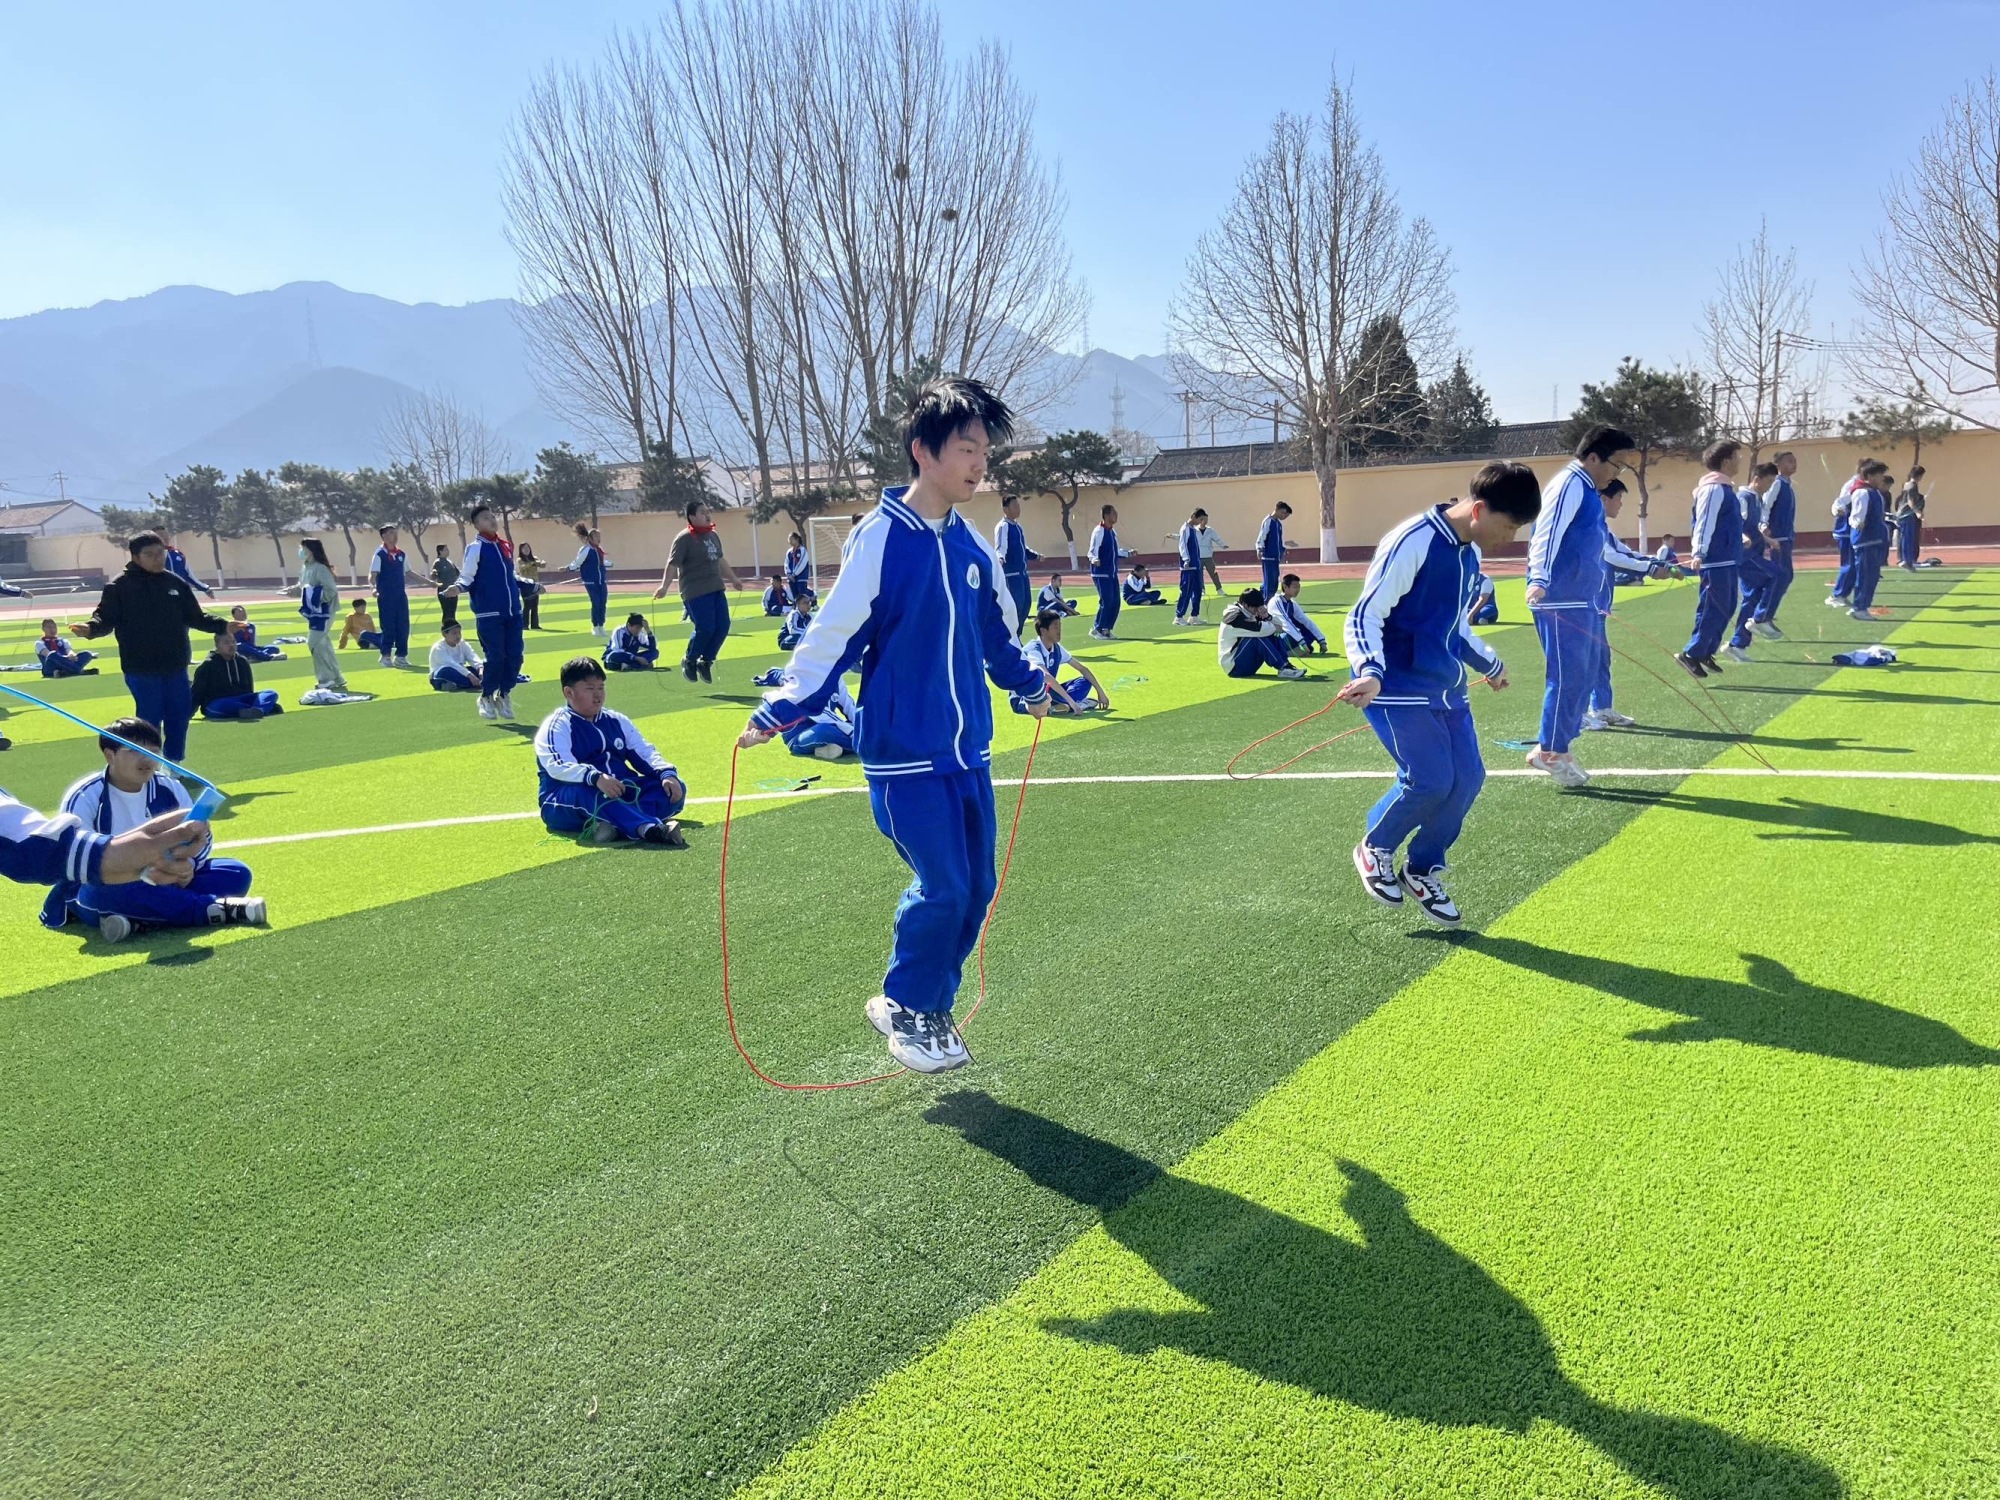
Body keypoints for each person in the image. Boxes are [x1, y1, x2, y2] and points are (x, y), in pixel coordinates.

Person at [737, 375, 1049, 1075]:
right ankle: (909, 1004)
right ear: (923, 451)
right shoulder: (880, 539)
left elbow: (999, 635)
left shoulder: (972, 548)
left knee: (976, 889)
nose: (979, 464)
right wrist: (781, 708)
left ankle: (926, 1006)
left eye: (984, 452)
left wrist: (1029, 684)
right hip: (904, 754)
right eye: (967, 449)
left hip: (968, 752)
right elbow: (835, 636)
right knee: (942, 885)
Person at [1341, 463, 1542, 924]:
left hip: (1447, 689)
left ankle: (1423, 868)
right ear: (1478, 509)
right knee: (1430, 780)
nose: (1510, 537)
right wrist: (1370, 672)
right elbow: (1363, 614)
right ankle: (1376, 846)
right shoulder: (1414, 540)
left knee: (1468, 778)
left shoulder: (1469, 556)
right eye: (1509, 526)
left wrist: (1489, 664)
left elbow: (1456, 628)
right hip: (1396, 686)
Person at [43, 717, 264, 941]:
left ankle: (138, 921)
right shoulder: (86, 794)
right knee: (101, 893)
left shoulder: (169, 787)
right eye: (135, 751)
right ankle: (210, 909)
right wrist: (133, 872)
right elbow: (72, 856)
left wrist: (188, 865)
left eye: (154, 751)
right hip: (106, 885)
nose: (147, 759)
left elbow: (200, 835)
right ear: (110, 755)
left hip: (168, 878)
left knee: (236, 872)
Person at [1523, 426, 1658, 785]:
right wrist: (1538, 578)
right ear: (1593, 457)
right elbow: (1547, 532)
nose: (1618, 474)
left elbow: (1600, 547)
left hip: (1582, 599)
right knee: (1566, 676)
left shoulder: (1586, 489)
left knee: (1582, 676)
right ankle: (1550, 750)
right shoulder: (1569, 484)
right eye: (1617, 464)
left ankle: (1557, 747)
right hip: (1558, 598)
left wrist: (1651, 566)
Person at [71, 531, 230, 766]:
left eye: (161, 553)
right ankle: (149, 765)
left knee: (178, 717)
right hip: (141, 667)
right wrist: (90, 629)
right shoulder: (119, 586)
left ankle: (175, 764)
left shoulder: (175, 582)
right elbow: (105, 618)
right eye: (150, 555)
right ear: (135, 557)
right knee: (149, 721)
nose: (158, 559)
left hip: (175, 664)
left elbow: (195, 617)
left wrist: (224, 625)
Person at [535, 656, 687, 846]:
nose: (598, 695)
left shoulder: (616, 720)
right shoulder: (557, 725)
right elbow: (558, 766)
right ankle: (649, 829)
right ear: (569, 692)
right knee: (590, 794)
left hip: (620, 789)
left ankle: (612, 825)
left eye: (601, 688)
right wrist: (596, 777)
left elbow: (643, 751)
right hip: (566, 798)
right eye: (590, 689)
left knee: (672, 788)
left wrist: (665, 773)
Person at [443, 504, 525, 722]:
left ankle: (504, 694)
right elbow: (467, 577)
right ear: (477, 525)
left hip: (513, 613)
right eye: (486, 518)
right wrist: (457, 588)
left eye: (493, 517)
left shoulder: (505, 547)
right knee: (496, 657)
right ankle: (487, 696)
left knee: (516, 656)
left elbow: (512, 578)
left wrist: (532, 585)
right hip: (489, 614)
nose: (492, 520)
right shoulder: (476, 548)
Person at [1675, 441, 1746, 679]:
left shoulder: (1726, 489)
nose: (1740, 461)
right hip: (1714, 559)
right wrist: (1699, 552)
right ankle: (1690, 653)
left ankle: (1706, 650)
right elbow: (1704, 523)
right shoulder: (1713, 489)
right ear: (1726, 461)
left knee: (1727, 606)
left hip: (1727, 558)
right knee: (1712, 607)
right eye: (1737, 456)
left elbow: (1729, 522)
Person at [655, 499, 743, 683]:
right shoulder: (684, 538)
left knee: (723, 626)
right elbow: (673, 564)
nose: (707, 515)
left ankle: (707, 661)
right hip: (695, 592)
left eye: (707, 511)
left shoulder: (713, 535)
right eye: (702, 512)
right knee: (706, 628)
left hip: (716, 588)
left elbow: (720, 560)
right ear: (692, 516)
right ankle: (690, 659)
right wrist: (664, 587)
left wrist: (733, 579)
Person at [1582, 480, 1638, 731]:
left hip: (1599, 609)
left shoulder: (1605, 529)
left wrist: (1664, 566)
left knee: (1601, 659)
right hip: (1583, 607)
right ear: (1605, 499)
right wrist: (1650, 567)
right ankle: (1577, 714)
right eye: (1619, 498)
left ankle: (1602, 708)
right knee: (1583, 661)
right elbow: (1613, 557)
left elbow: (1628, 554)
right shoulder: (1590, 526)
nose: (1621, 504)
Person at [1724, 463, 1780, 663]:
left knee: (1751, 599)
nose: (1770, 486)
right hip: (1746, 556)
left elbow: (1754, 527)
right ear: (1757, 479)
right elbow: (1735, 522)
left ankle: (1736, 645)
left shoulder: (1757, 499)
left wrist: (1768, 540)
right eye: (1769, 481)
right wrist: (1742, 537)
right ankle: (1761, 619)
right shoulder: (1744, 498)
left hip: (1754, 553)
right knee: (1777, 575)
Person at [1014, 607, 1111, 713]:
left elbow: (1082, 669)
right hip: (1026, 696)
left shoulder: (1056, 648)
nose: (1059, 631)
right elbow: (1046, 676)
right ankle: (1073, 704)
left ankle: (1062, 705)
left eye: (1060, 626)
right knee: (1042, 692)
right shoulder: (1033, 650)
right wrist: (1072, 703)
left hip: (1048, 691)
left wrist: (1100, 692)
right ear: (1043, 630)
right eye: (1055, 627)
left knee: (1085, 682)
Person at [1750, 450, 1798, 636]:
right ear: (1778, 464)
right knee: (1781, 575)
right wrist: (1763, 525)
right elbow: (1766, 504)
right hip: (1777, 538)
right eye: (1789, 461)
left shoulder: (1787, 485)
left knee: (1785, 575)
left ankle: (1766, 614)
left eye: (1794, 461)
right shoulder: (1777, 483)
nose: (1794, 464)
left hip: (1785, 536)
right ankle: (1761, 617)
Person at [192, 628, 281, 720]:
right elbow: (196, 693)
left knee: (270, 693)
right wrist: (187, 714)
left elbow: (249, 689)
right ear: (217, 646)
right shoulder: (207, 665)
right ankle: (262, 709)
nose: (231, 645)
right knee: (219, 706)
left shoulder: (242, 661)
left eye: (233, 642)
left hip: (243, 699)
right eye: (226, 643)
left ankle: (257, 710)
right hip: (218, 702)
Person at [1218, 588, 1308, 679]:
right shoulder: (1235, 617)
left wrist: (1267, 616)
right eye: (1255, 607)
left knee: (1270, 633)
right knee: (1258, 638)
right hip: (1234, 668)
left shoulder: (1248, 611)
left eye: (1259, 607)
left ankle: (1286, 665)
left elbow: (1279, 627)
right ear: (1245, 605)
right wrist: (1274, 626)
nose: (1257, 610)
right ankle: (1283, 668)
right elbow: (1261, 629)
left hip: (1246, 663)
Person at [296, 538, 349, 694]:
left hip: (324, 612)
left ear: (311, 550)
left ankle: (325, 679)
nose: (300, 551)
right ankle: (337, 677)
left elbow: (330, 590)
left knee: (313, 642)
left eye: (303, 548)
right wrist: (293, 590)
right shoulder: (306, 568)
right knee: (323, 643)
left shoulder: (321, 568)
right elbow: (303, 586)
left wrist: (316, 598)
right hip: (313, 612)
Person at [368, 524, 418, 666]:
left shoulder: (401, 554)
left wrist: (430, 583)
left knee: (403, 626)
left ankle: (401, 656)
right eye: (391, 533)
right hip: (385, 596)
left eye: (395, 533)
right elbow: (372, 575)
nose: (394, 536)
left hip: (400, 596)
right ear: (384, 536)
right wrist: (373, 588)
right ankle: (385, 655)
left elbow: (409, 572)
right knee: (388, 626)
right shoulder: (380, 554)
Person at [1848, 462, 1892, 619]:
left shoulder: (1875, 493)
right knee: (1865, 576)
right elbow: (1856, 516)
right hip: (1866, 540)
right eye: (1880, 474)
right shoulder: (1862, 493)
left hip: (1875, 539)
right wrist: (1858, 523)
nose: (1882, 477)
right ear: (1870, 476)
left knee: (1872, 575)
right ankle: (1859, 608)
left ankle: (1862, 606)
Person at [992, 495, 1041, 632]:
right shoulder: (1003, 526)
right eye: (1014, 506)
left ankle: (1017, 636)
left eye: (1018, 505)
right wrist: (1000, 560)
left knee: (1026, 605)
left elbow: (1023, 548)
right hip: (1011, 574)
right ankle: (1009, 636)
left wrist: (1036, 556)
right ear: (1005, 509)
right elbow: (1000, 548)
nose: (1018, 508)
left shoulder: (1018, 527)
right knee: (1015, 606)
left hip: (1022, 574)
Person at [783, 676, 859, 760]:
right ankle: (866, 745)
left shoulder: (836, 678)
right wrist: (855, 733)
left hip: (829, 724)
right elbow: (822, 714)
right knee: (824, 730)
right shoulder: (804, 677)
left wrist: (862, 727)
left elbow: (849, 706)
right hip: (798, 735)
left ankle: (826, 749)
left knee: (849, 725)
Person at [1828, 458, 1869, 607]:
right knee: (1849, 564)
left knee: (1855, 565)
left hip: (1853, 531)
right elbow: (1839, 503)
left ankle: (1843, 593)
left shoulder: (1865, 486)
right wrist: (1838, 510)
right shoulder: (1852, 485)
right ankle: (1837, 595)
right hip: (1845, 530)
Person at [1086, 503, 1129, 641]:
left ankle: (1106, 629)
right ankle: (1097, 628)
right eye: (1113, 513)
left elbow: (1115, 551)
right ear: (1106, 516)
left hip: (1112, 572)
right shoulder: (1099, 531)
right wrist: (1094, 559)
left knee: (1116, 601)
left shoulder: (1112, 532)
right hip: (1101, 573)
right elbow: (1092, 551)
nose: (1116, 516)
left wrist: (1128, 553)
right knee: (1107, 600)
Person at [1271, 574, 1331, 655]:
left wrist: (1321, 641)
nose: (1298, 590)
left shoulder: (1292, 604)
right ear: (1285, 587)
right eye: (1295, 587)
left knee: (1308, 630)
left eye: (1299, 587)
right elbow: (1286, 623)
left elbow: (1306, 621)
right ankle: (1287, 652)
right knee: (1287, 636)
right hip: (1275, 635)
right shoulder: (1276, 601)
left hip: (1288, 634)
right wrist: (1302, 642)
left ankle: (1298, 649)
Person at [569, 523, 611, 637]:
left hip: (601, 581)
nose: (599, 539)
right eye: (596, 537)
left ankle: (601, 625)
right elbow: (578, 562)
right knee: (596, 602)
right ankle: (595, 626)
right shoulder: (586, 550)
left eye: (599, 537)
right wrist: (568, 568)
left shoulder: (599, 550)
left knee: (603, 602)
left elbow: (600, 563)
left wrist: (608, 564)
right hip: (590, 581)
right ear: (590, 538)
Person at [428, 620, 484, 693]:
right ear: (444, 634)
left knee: (485, 665)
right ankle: (477, 683)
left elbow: (472, 656)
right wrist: (470, 675)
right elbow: (451, 664)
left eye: (459, 632)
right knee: (445, 670)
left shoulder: (463, 643)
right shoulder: (438, 648)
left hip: (461, 671)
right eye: (454, 633)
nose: (458, 636)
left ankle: (461, 685)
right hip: (442, 674)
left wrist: (480, 669)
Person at [158, 531, 217, 598]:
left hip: (180, 595)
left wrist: (205, 589)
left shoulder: (177, 554)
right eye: (161, 535)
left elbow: (189, 575)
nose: (165, 538)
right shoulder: (150, 556)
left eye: (166, 535)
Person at [1175, 508, 1207, 625]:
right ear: (1193, 516)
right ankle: (1179, 617)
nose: (1200, 522)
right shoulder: (1185, 529)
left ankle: (1194, 615)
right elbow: (1182, 545)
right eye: (1199, 519)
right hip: (1188, 565)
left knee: (1198, 591)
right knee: (1186, 591)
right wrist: (1186, 559)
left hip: (1196, 565)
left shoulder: (1193, 529)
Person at [1257, 501, 1293, 600]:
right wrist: (1259, 549)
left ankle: (1260, 597)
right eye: (1283, 513)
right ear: (1277, 510)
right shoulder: (1268, 521)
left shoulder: (1279, 524)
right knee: (1270, 582)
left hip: (1275, 557)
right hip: (1268, 557)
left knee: (1274, 581)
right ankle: (1267, 601)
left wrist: (1282, 550)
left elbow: (1278, 541)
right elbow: (1262, 536)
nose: (1284, 516)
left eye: (1286, 515)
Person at [1895, 466, 1927, 569]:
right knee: (1908, 537)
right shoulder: (1912, 485)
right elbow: (1910, 500)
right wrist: (1917, 512)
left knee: (1905, 537)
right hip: (1907, 515)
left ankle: (1905, 559)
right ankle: (1907, 559)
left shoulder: (1906, 484)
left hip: (1903, 514)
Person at [430, 544, 461, 630]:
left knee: (452, 611)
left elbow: (458, 573)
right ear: (440, 551)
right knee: (447, 611)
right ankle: (446, 630)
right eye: (446, 550)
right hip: (444, 591)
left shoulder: (450, 562)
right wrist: (434, 573)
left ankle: (453, 629)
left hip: (453, 590)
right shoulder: (438, 562)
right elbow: (433, 576)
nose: (448, 551)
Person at [1196, 515, 1227, 597]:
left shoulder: (1210, 530)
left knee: (1213, 573)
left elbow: (1217, 538)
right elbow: (1184, 537)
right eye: (1204, 520)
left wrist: (1223, 545)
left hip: (1208, 556)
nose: (1205, 521)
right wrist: (1173, 536)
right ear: (1200, 520)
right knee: (1199, 574)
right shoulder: (1194, 530)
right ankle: (1202, 590)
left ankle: (1219, 589)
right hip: (1198, 556)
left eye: (1207, 520)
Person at [517, 541, 544, 630]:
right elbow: (523, 567)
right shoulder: (520, 560)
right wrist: (532, 563)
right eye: (524, 548)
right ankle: (524, 625)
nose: (526, 550)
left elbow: (540, 564)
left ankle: (535, 624)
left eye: (528, 548)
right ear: (521, 550)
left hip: (535, 584)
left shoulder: (534, 558)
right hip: (525, 585)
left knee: (535, 605)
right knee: (527, 605)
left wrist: (542, 563)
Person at [783, 531, 813, 602]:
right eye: (789, 539)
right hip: (791, 578)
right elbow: (786, 563)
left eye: (791, 539)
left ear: (797, 539)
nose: (790, 541)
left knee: (802, 594)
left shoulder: (803, 550)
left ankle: (812, 599)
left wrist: (794, 574)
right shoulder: (789, 552)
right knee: (795, 595)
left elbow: (802, 563)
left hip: (801, 577)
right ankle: (797, 607)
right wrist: (789, 574)